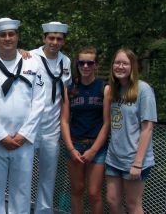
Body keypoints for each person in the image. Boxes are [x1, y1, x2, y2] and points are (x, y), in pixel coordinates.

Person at [0, 17, 46, 214]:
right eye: (2, 35)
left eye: (11, 34)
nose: (7, 38)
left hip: (24, 141)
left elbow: (39, 102)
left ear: (17, 36)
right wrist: (0, 136)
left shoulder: (33, 64)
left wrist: (24, 134)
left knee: (21, 191)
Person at [105, 48, 157, 214]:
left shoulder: (143, 90)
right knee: (112, 201)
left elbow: (148, 127)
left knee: (133, 204)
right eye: (117, 63)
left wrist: (138, 163)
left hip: (134, 159)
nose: (120, 66)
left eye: (125, 63)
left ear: (132, 66)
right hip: (114, 157)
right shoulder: (114, 90)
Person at [60, 47, 111, 214]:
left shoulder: (104, 88)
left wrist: (93, 150)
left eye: (90, 63)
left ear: (96, 64)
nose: (86, 66)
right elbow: (65, 121)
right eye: (82, 62)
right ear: (77, 64)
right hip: (74, 145)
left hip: (97, 147)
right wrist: (70, 148)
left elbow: (107, 123)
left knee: (94, 192)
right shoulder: (70, 89)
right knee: (77, 189)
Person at [30, 22, 72, 214]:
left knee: (48, 177)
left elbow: (65, 94)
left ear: (63, 41)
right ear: (44, 39)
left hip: (52, 129)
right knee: (23, 174)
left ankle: (43, 211)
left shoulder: (67, 62)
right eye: (51, 38)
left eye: (59, 39)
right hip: (30, 127)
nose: (55, 42)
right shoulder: (30, 57)